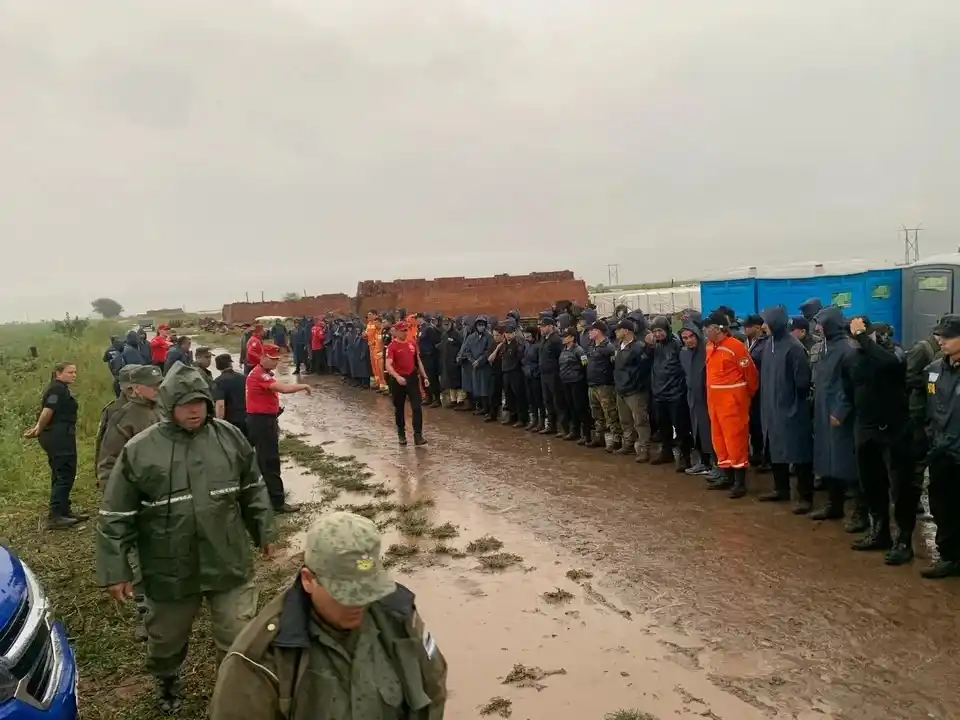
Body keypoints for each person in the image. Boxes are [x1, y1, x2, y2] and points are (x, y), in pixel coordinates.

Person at [96, 362, 276, 713]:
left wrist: (264, 529)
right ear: (168, 405)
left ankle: (234, 690)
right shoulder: (141, 449)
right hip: (168, 566)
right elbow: (117, 513)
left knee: (237, 631)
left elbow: (253, 487)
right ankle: (167, 679)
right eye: (184, 404)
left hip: (227, 557)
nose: (194, 411)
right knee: (166, 637)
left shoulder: (229, 437)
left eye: (199, 403)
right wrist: (115, 569)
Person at [209, 511, 448, 720]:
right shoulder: (258, 659)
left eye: (367, 588)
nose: (360, 602)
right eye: (346, 592)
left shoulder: (397, 614)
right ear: (308, 580)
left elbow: (433, 685)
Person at [843, 315, 917, 565]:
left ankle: (904, 541)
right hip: (866, 428)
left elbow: (889, 363)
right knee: (870, 483)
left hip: (895, 430)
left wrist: (863, 337)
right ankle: (879, 532)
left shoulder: (893, 353)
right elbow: (848, 389)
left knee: (901, 487)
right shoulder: (852, 359)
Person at [759, 306, 815, 513]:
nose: (763, 326)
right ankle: (780, 488)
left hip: (792, 407)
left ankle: (805, 497)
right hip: (772, 407)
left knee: (799, 452)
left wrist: (792, 403)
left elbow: (802, 382)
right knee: (775, 448)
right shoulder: (769, 345)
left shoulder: (794, 348)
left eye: (766, 322)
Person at [809, 307, 860, 524]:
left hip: (840, 415)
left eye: (821, 324)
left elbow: (851, 385)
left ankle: (859, 512)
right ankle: (833, 504)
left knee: (846, 462)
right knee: (827, 460)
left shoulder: (847, 350)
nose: (817, 329)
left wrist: (840, 411)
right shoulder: (825, 348)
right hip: (823, 411)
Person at [247, 343, 312, 513]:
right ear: (263, 357)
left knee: (263, 460)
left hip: (262, 420)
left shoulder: (261, 372)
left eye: (277, 359)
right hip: (262, 423)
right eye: (272, 359)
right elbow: (283, 389)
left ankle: (265, 496)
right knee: (270, 462)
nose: (276, 362)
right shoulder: (260, 375)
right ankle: (277, 502)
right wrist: (303, 386)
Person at [701, 311, 759, 498]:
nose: (705, 331)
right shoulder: (710, 346)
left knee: (735, 440)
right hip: (715, 401)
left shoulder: (736, 347)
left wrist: (744, 396)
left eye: (708, 328)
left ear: (718, 329)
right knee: (719, 439)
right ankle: (727, 476)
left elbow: (750, 373)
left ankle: (740, 482)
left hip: (732, 402)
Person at [24, 361, 87, 530]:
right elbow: (48, 410)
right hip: (58, 436)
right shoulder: (56, 389)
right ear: (58, 373)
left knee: (62, 472)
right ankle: (56, 516)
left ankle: (64, 510)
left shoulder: (60, 388)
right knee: (64, 473)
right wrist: (38, 428)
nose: (74, 375)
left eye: (74, 372)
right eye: (70, 372)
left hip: (60, 434)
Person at [923, 314, 960, 578]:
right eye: (939, 336)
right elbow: (928, 406)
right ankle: (949, 557)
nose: (941, 340)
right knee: (941, 505)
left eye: (948, 337)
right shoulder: (934, 369)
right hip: (941, 451)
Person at [96, 364, 164, 491]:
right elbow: (108, 458)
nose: (158, 389)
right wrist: (110, 491)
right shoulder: (122, 417)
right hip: (137, 487)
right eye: (152, 386)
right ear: (136, 388)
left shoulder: (166, 409)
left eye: (160, 384)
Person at [650, 315, 693, 470]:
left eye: (660, 330)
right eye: (655, 331)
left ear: (667, 329)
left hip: (675, 393)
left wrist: (681, 388)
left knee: (681, 428)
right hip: (659, 392)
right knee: (663, 426)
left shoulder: (676, 344)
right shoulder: (655, 345)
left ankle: (685, 457)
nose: (657, 334)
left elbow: (684, 366)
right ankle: (666, 451)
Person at [678, 314, 718, 480]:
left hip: (709, 397)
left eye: (691, 337)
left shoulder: (708, 350)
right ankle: (703, 462)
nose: (688, 341)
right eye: (685, 338)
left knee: (711, 432)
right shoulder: (684, 354)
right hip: (693, 397)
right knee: (697, 431)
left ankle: (717, 464)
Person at [906, 329, 940, 516]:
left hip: (933, 412)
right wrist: (932, 383)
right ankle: (912, 498)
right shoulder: (922, 349)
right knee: (917, 458)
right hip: (919, 411)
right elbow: (909, 376)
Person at [613, 318, 654, 462]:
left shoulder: (638, 347)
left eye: (618, 329)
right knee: (625, 420)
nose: (616, 332)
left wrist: (636, 383)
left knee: (640, 421)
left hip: (635, 390)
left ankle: (644, 449)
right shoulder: (619, 346)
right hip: (621, 389)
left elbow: (644, 367)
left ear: (626, 331)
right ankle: (628, 444)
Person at [386, 321, 429, 446]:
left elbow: (418, 361)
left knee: (417, 407)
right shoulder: (392, 347)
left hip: (412, 378)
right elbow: (388, 365)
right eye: (403, 330)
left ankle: (418, 435)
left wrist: (424, 376)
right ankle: (401, 434)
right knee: (399, 408)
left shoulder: (412, 343)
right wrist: (397, 377)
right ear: (397, 331)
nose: (405, 333)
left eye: (406, 330)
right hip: (398, 380)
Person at [585, 320, 620, 451]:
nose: (589, 332)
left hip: (605, 386)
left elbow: (614, 365)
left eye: (592, 330)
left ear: (598, 331)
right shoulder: (591, 346)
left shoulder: (608, 347)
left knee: (610, 414)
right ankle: (599, 437)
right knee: (596, 414)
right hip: (592, 385)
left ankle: (616, 440)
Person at [96, 363, 140, 461]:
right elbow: (104, 447)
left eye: (138, 386)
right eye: (130, 388)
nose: (135, 392)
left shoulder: (156, 406)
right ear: (121, 387)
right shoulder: (113, 411)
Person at [743, 315, 769, 471]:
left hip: (762, 389)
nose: (744, 329)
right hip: (750, 390)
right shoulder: (747, 342)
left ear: (757, 327)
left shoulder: (765, 344)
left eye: (748, 326)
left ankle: (766, 456)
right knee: (753, 423)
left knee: (761, 423)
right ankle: (757, 453)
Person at [559, 327, 591, 443]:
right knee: (571, 407)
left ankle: (586, 434)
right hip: (566, 382)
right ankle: (575, 430)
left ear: (572, 338)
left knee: (580, 407)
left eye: (565, 336)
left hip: (577, 382)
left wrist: (580, 377)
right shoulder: (564, 350)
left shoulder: (579, 350)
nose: (563, 338)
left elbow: (585, 365)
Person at [538, 316, 567, 436]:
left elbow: (560, 356)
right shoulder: (543, 339)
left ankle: (563, 427)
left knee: (558, 400)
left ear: (550, 326)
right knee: (547, 400)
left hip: (554, 374)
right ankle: (551, 425)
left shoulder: (556, 340)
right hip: (544, 374)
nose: (541, 328)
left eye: (543, 326)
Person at [458, 317, 493, 416]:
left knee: (484, 388)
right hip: (474, 366)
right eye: (479, 325)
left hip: (484, 366)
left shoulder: (489, 337)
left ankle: (486, 408)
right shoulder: (471, 337)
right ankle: (479, 406)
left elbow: (488, 351)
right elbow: (466, 350)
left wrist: (479, 361)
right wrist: (472, 360)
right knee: (476, 387)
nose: (481, 327)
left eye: (483, 325)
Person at [213, 353, 248, 438]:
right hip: (246, 417)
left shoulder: (219, 381)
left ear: (217, 367)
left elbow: (220, 405)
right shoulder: (243, 377)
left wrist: (219, 424)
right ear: (230, 364)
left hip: (230, 421)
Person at [501, 320, 528, 427]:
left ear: (514, 333)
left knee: (518, 396)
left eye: (510, 333)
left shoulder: (517, 344)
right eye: (507, 333)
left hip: (515, 372)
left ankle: (522, 418)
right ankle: (512, 416)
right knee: (509, 396)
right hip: (506, 372)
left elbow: (520, 358)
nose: (508, 335)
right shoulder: (504, 344)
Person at [439, 316, 465, 408]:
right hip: (447, 363)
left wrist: (458, 360)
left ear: (451, 324)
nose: (446, 326)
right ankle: (453, 400)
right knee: (450, 383)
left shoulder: (457, 334)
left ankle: (460, 401)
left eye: (447, 324)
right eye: (444, 324)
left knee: (458, 382)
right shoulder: (444, 335)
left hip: (455, 362)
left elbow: (462, 347)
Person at [522, 325, 544, 431]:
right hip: (528, 375)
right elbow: (524, 358)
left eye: (528, 336)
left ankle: (541, 422)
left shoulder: (538, 346)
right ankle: (534, 420)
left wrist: (535, 372)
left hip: (536, 376)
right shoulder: (527, 345)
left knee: (539, 399)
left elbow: (540, 362)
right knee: (531, 399)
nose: (527, 338)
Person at [419, 314, 442, 408]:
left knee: (432, 378)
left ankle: (436, 399)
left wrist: (430, 352)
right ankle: (429, 397)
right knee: (425, 378)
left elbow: (436, 344)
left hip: (430, 358)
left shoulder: (430, 329)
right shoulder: (422, 329)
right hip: (423, 357)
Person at [485, 326, 506, 423]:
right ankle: (493, 413)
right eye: (494, 335)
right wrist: (497, 349)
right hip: (495, 372)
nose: (495, 337)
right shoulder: (493, 344)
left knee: (508, 394)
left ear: (502, 335)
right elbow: (490, 359)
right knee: (493, 394)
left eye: (497, 335)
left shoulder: (506, 344)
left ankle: (508, 415)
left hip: (505, 372)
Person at [365, 311, 385, 391]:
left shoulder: (380, 328)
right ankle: (378, 383)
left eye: (370, 315)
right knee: (374, 367)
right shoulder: (368, 324)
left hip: (377, 349)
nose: (368, 316)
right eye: (368, 315)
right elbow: (368, 334)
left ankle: (382, 385)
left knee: (380, 368)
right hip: (372, 348)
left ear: (375, 315)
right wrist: (365, 335)